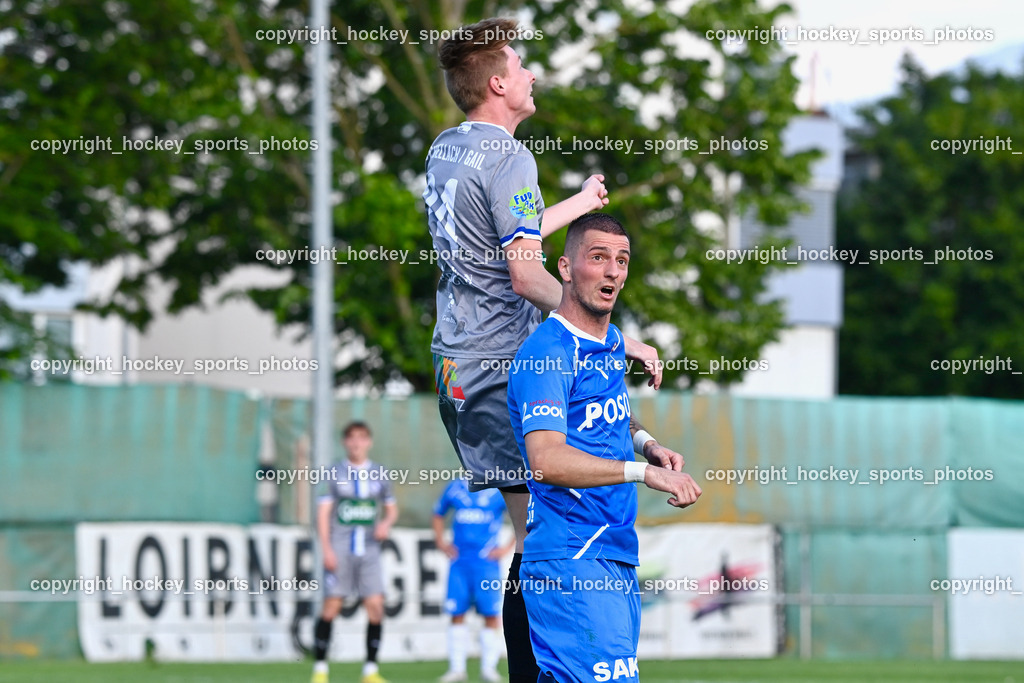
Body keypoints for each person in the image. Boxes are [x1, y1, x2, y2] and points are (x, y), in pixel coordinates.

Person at [425, 18, 664, 681]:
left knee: (535, 532)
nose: (531, 74)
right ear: (499, 85)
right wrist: (612, 339)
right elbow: (525, 273)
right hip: (500, 361)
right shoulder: (511, 158)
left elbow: (504, 234)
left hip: (457, 364)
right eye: (520, 65)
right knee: (546, 537)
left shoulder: (448, 148)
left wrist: (577, 204)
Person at [507, 213, 702, 683]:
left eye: (622, 260)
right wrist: (643, 473)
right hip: (573, 555)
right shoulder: (548, 353)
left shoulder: (610, 343)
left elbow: (609, 414)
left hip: (612, 549)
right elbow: (546, 459)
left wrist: (647, 445)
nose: (613, 269)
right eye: (598, 257)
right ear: (565, 268)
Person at [311, 421, 399, 683]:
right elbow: (323, 514)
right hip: (340, 550)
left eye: (361, 437)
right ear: (344, 442)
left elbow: (391, 508)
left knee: (375, 606)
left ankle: (370, 670)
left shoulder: (379, 473)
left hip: (370, 550)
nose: (356, 442)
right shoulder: (334, 473)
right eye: (351, 437)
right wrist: (326, 549)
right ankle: (320, 669)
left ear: (369, 442)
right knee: (331, 606)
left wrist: (385, 523)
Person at [433, 479, 516, 683]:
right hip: (459, 563)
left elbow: (519, 514)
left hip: (487, 564)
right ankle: (456, 669)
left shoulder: (497, 490)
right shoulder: (455, 487)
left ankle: (489, 669)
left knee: (491, 614)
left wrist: (506, 548)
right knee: (456, 613)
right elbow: (438, 513)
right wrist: (441, 542)